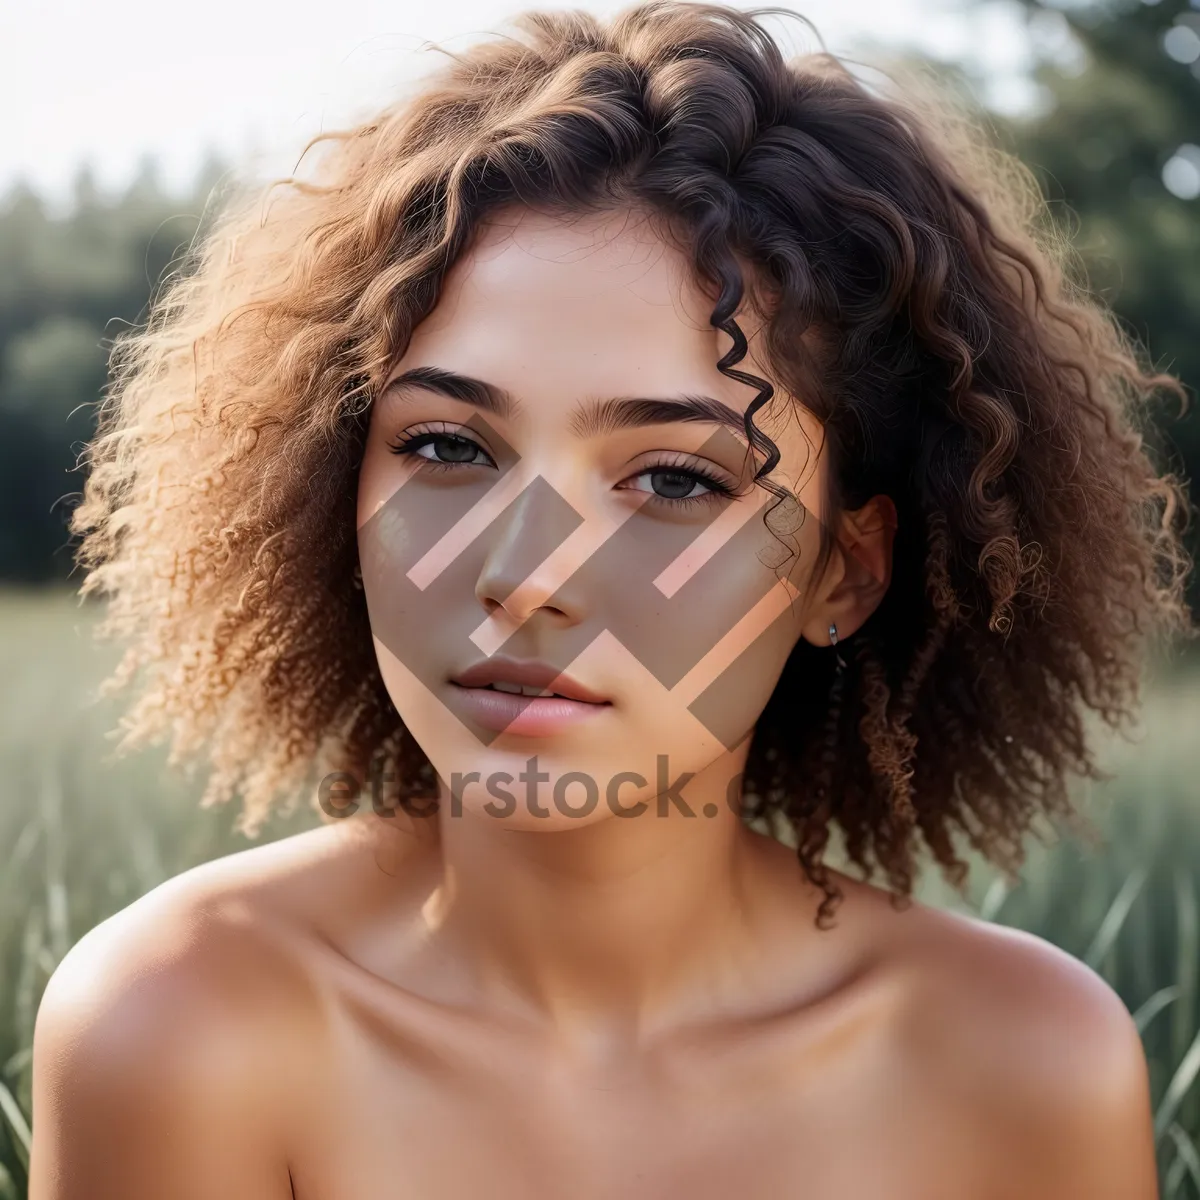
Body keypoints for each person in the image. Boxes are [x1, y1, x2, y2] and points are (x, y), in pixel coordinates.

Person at [28, 2, 1195, 1196]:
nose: (523, 573)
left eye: (675, 478)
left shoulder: (1022, 1069)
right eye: (447, 449)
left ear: (843, 570)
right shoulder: (180, 1030)